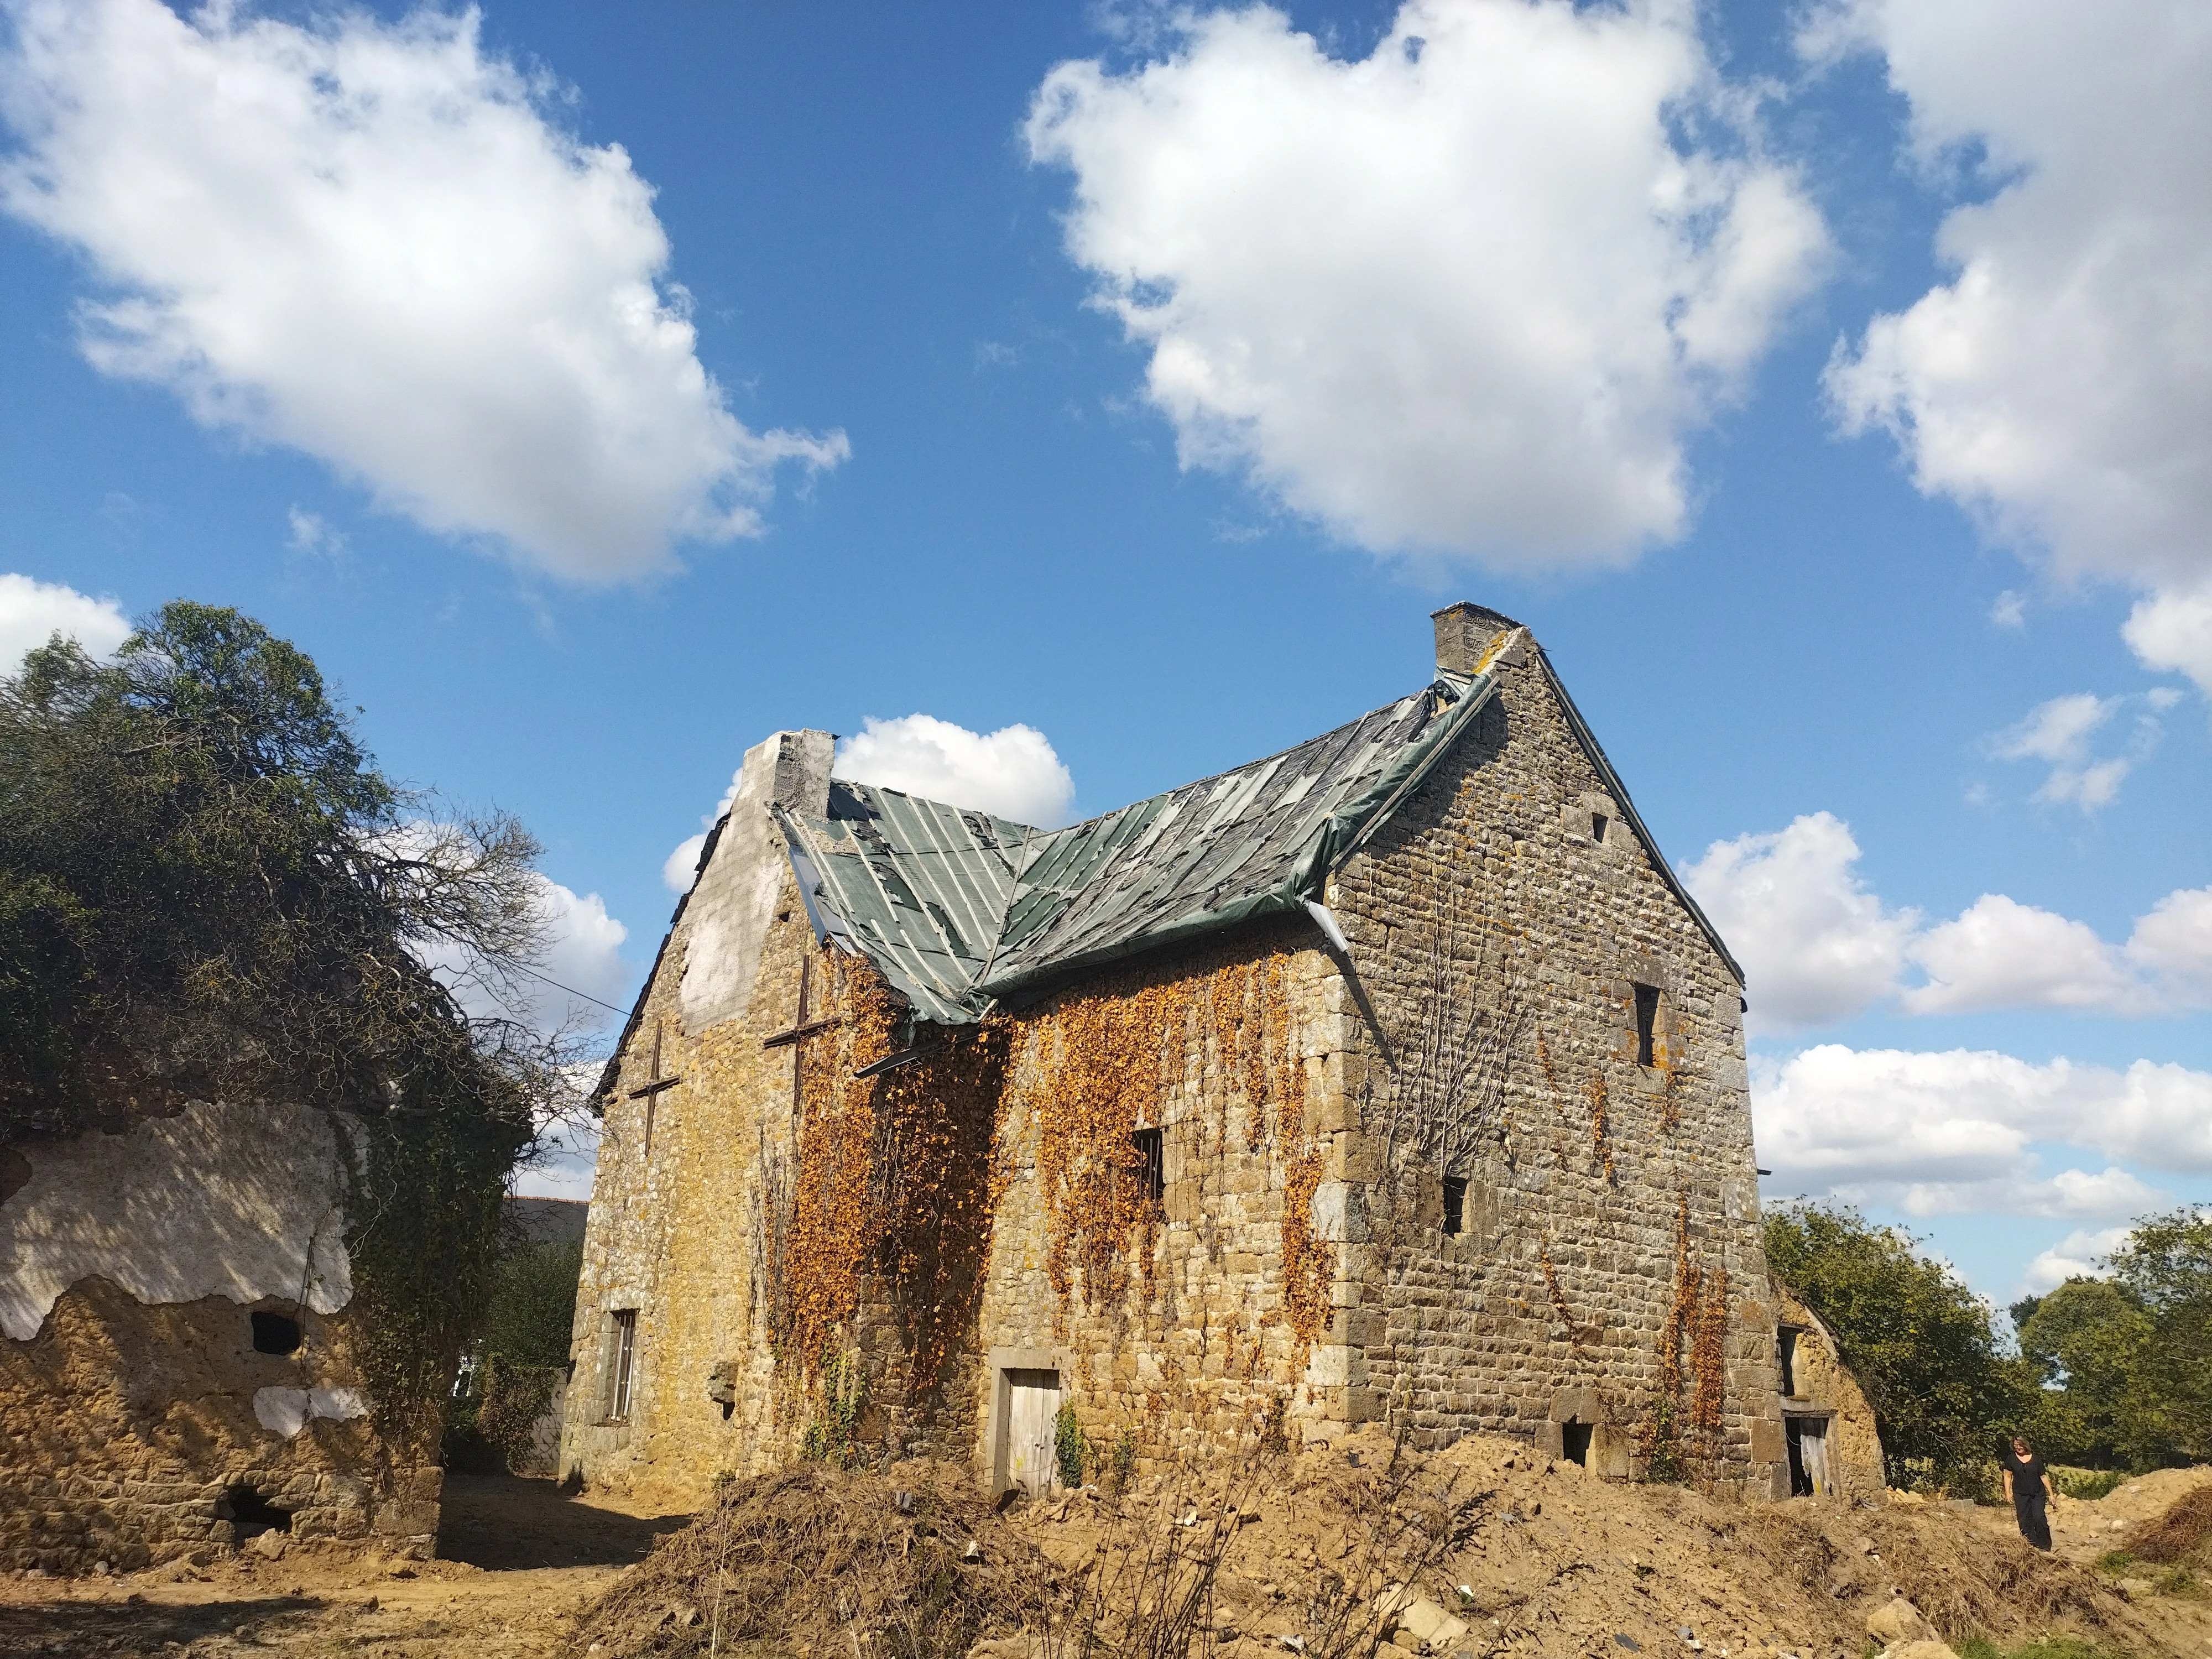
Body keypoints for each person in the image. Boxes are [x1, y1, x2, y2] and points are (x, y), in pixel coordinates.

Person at [2000, 1434, 2057, 1551]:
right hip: (2020, 1494)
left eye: (2020, 1445)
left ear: (2025, 1445)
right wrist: (2007, 1492)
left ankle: (2045, 1546)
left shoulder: (2036, 1459)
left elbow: (2043, 1476)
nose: (2018, 1448)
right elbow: (2008, 1476)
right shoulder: (2011, 1459)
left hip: (2037, 1494)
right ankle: (2031, 1545)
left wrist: (2051, 1494)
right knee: (2024, 1521)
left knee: (2039, 1518)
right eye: (2016, 1446)